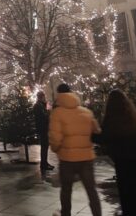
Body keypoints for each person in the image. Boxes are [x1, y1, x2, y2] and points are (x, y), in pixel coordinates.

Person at [49, 83, 101, 216]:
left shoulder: (57, 113)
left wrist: (56, 149)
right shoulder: (86, 112)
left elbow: (55, 137)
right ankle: (97, 213)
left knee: (66, 189)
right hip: (87, 157)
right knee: (91, 190)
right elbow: (97, 130)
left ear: (59, 95)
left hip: (67, 158)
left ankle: (65, 213)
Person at [101, 89, 136, 216]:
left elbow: (104, 138)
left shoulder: (110, 119)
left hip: (121, 159)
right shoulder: (133, 116)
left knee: (126, 193)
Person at [34, 90, 54, 173]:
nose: (45, 98)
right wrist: (49, 111)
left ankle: (45, 163)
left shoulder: (41, 105)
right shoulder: (38, 106)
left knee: (45, 147)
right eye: (44, 96)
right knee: (44, 146)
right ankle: (43, 164)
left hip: (44, 128)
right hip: (43, 128)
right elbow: (44, 116)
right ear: (41, 97)